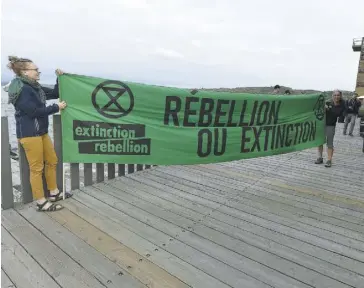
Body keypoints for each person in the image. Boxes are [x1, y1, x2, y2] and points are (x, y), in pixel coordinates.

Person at [7, 56, 71, 211]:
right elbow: (33, 111)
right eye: (35, 69)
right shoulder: (22, 89)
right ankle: (41, 202)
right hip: (29, 134)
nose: (38, 71)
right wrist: (56, 108)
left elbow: (56, 93)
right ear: (25, 72)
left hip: (41, 132)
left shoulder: (36, 87)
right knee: (36, 169)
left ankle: (54, 193)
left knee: (52, 160)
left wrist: (59, 78)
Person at [315, 90, 346, 167]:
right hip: (321, 124)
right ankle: (320, 157)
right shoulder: (328, 102)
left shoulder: (341, 105)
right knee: (320, 142)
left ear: (340, 96)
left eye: (338, 95)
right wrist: (323, 108)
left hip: (331, 125)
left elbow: (337, 114)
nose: (336, 96)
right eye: (335, 95)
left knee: (329, 144)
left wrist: (329, 109)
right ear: (332, 96)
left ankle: (329, 160)